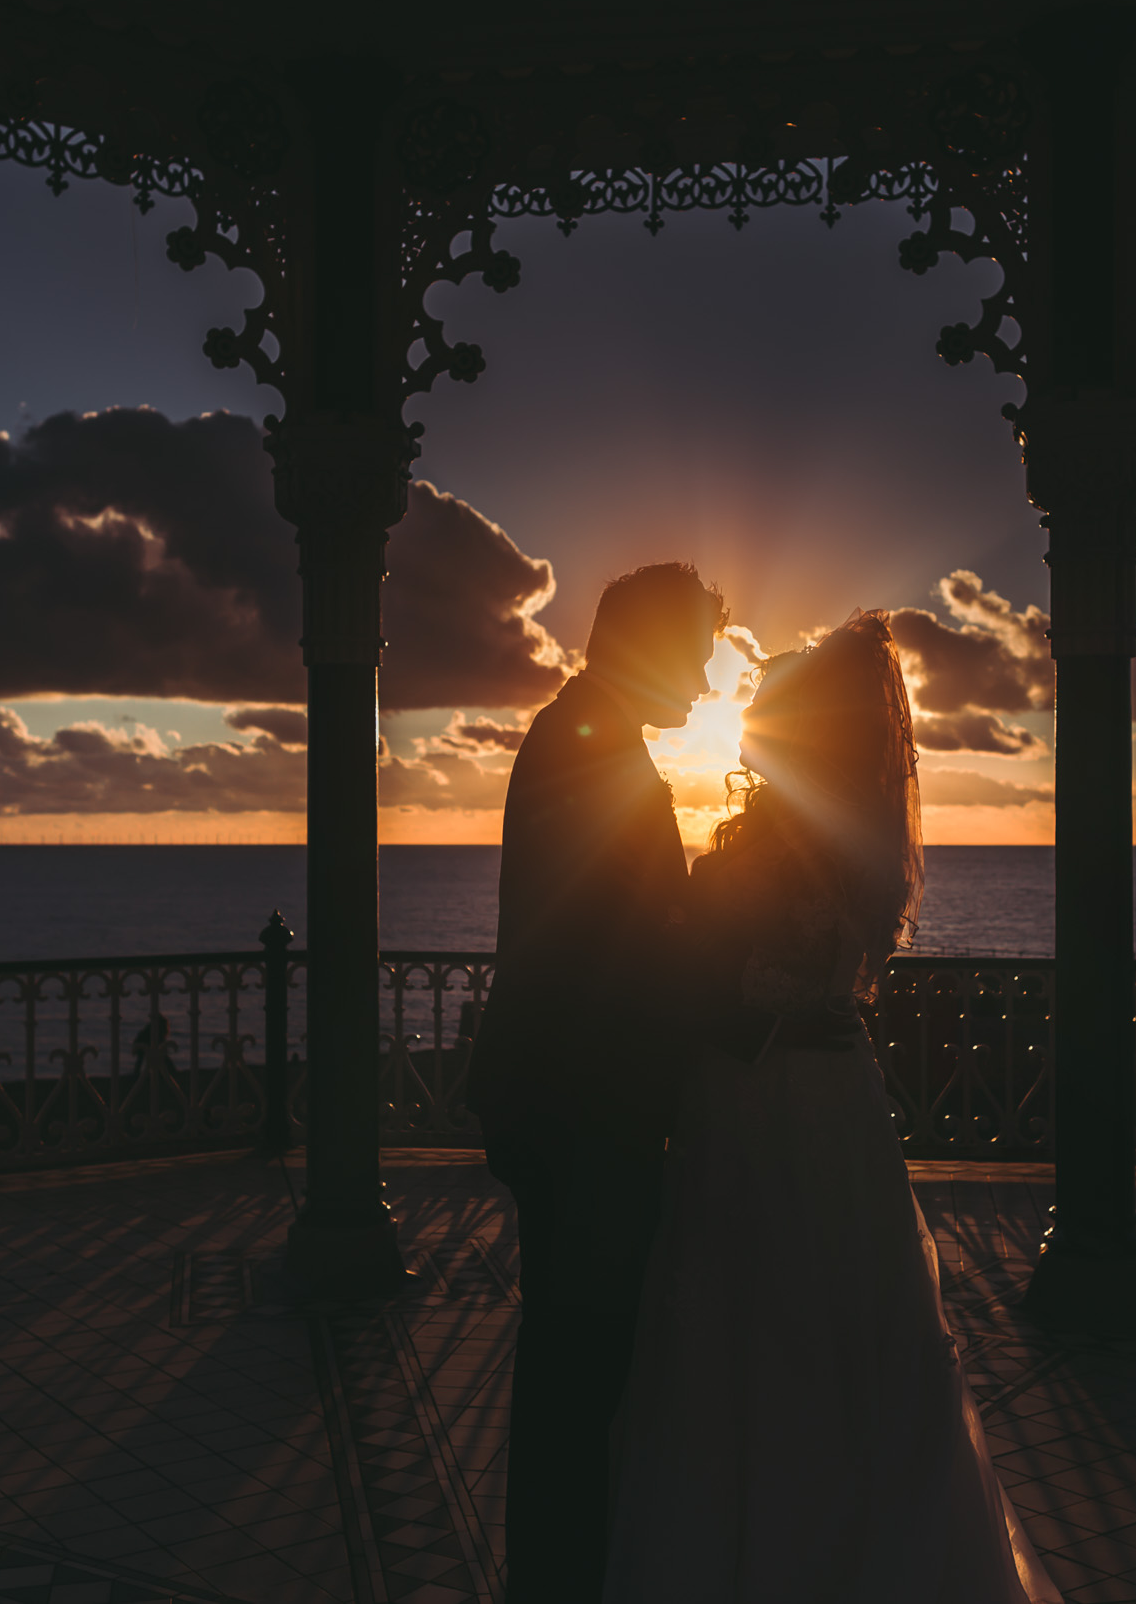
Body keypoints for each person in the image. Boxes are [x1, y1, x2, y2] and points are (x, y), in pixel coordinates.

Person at [604, 613, 1061, 1603]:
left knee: (773, 1330)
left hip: (767, 1098)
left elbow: (754, 981)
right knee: (837, 1334)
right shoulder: (847, 842)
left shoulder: (788, 846)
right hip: (828, 1095)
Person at [468, 561, 750, 1604]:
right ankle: (559, 1577)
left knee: (574, 1360)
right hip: (586, 1109)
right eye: (696, 656)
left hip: (570, 1099)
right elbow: (621, 952)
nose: (707, 683)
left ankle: (562, 1570)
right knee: (577, 1366)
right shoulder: (589, 753)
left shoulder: (583, 738)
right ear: (645, 646)